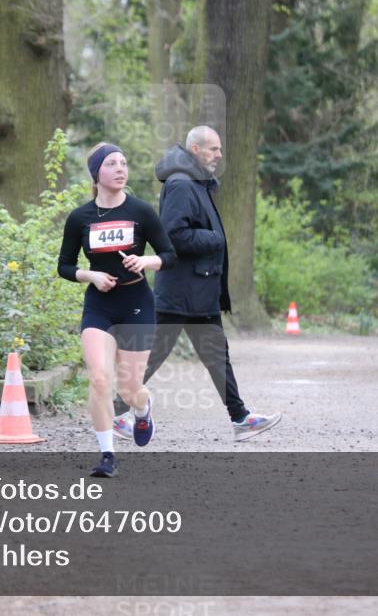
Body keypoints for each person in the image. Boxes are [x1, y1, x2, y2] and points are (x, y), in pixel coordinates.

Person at [114, 125, 282, 442]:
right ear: (196, 150)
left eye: (219, 149)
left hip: (198, 293)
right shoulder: (181, 184)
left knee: (217, 357)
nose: (219, 155)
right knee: (152, 357)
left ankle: (240, 418)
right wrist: (215, 238)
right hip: (181, 294)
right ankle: (114, 413)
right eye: (213, 149)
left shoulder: (196, 183)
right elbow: (174, 235)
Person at [57, 143, 177, 478]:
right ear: (96, 173)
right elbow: (64, 266)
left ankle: (142, 409)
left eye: (123, 163)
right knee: (99, 379)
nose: (120, 169)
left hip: (136, 303)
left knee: (129, 389)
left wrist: (145, 261)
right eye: (111, 163)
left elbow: (169, 255)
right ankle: (107, 455)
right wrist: (91, 276)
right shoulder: (80, 218)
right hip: (99, 305)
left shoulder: (141, 211)